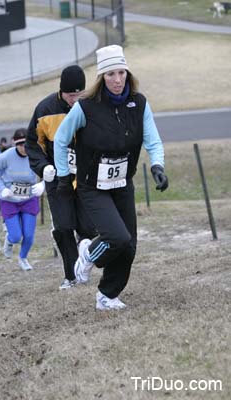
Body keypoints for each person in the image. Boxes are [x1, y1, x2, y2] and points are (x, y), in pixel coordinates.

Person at [54, 45, 169, 310]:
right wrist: (63, 176)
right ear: (101, 78)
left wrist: (157, 167)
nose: (117, 80)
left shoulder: (139, 104)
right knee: (116, 237)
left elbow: (153, 140)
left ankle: (107, 295)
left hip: (121, 184)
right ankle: (87, 254)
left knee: (128, 246)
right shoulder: (86, 107)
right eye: (110, 74)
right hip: (92, 186)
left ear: (127, 73)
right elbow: (60, 140)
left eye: (121, 73)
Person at [26, 65, 96, 289]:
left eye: (79, 94)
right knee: (64, 227)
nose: (75, 100)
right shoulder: (45, 109)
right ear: (61, 91)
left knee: (87, 228)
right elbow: (32, 143)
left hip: (86, 178)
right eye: (70, 95)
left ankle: (84, 265)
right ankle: (71, 276)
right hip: (58, 180)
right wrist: (42, 167)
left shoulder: (93, 106)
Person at [0, 128, 45, 271]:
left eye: (26, 144)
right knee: (15, 237)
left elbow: (49, 170)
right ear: (15, 144)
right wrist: (2, 189)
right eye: (20, 144)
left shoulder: (36, 154)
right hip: (10, 200)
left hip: (29, 198)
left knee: (28, 235)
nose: (24, 147)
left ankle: (23, 258)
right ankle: (8, 241)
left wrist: (42, 184)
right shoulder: (6, 156)